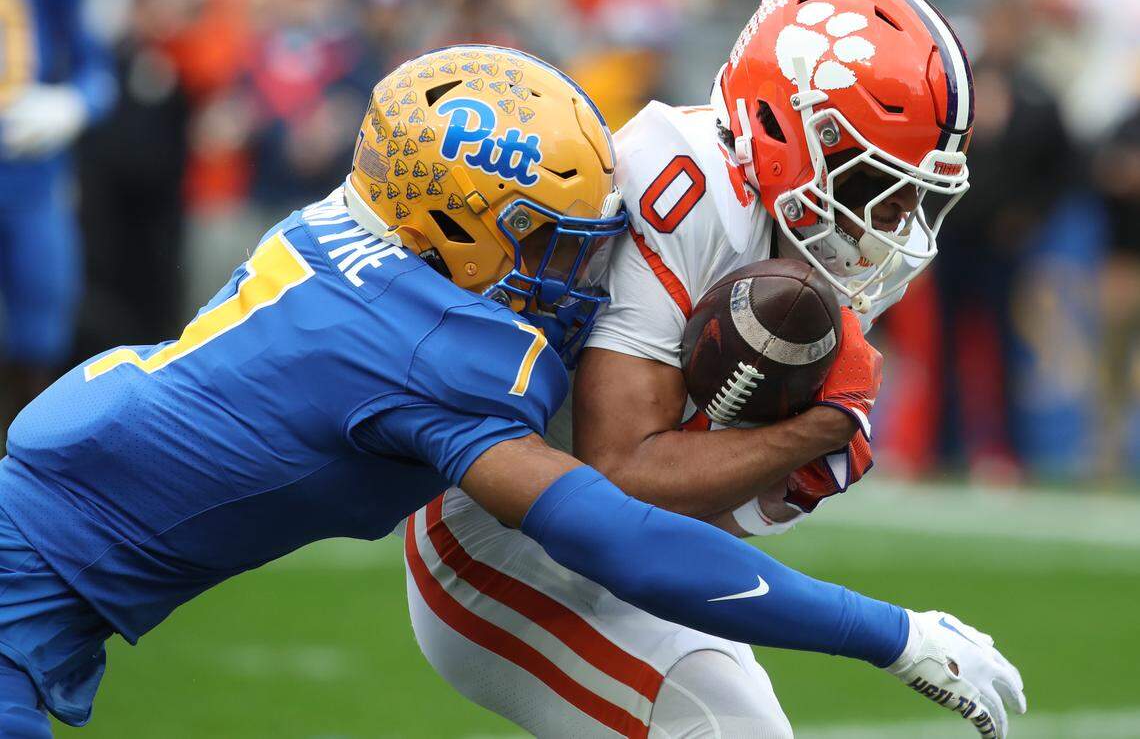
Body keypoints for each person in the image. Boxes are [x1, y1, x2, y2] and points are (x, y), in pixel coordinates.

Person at [0, 45, 1019, 737]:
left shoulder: (355, 230)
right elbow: (621, 537)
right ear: (456, 221)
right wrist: (893, 634)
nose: (579, 272)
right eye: (552, 240)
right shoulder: (428, 348)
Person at [405, 0, 1005, 738]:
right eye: (878, 183)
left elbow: (688, 517)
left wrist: (776, 490)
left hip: (617, 546)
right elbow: (619, 476)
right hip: (502, 539)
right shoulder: (682, 188)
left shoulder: (808, 239)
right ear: (795, 134)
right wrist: (816, 433)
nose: (897, 219)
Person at [0, 0, 116, 437]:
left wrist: (72, 105)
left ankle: (22, 477)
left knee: (39, 338)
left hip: (30, 168)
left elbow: (98, 69)